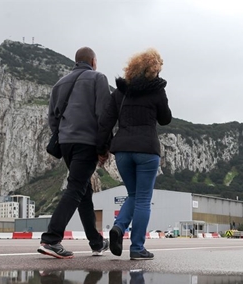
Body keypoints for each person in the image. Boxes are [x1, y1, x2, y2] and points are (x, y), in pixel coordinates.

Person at [96, 48, 172, 260]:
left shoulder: (120, 92)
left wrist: (101, 150)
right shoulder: (157, 91)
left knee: (133, 194)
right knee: (143, 200)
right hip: (146, 150)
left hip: (122, 151)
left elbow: (105, 123)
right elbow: (166, 118)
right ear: (154, 70)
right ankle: (137, 247)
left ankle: (119, 228)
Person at [38, 47, 111, 259]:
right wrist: (103, 148)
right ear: (93, 61)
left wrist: (63, 137)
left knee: (84, 192)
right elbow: (103, 115)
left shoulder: (59, 84)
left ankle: (96, 243)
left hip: (67, 143)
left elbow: (52, 118)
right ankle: (51, 239)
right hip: (87, 142)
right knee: (76, 188)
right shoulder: (98, 78)